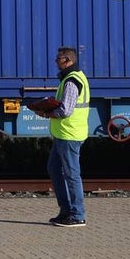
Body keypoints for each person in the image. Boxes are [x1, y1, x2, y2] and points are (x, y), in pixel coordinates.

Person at [35, 46, 90, 227]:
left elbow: (66, 110)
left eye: (58, 59)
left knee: (71, 174)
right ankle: (66, 211)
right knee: (54, 168)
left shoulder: (72, 81)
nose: (56, 62)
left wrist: (46, 113)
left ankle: (77, 214)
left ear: (68, 60)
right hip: (64, 133)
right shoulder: (71, 78)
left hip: (69, 134)